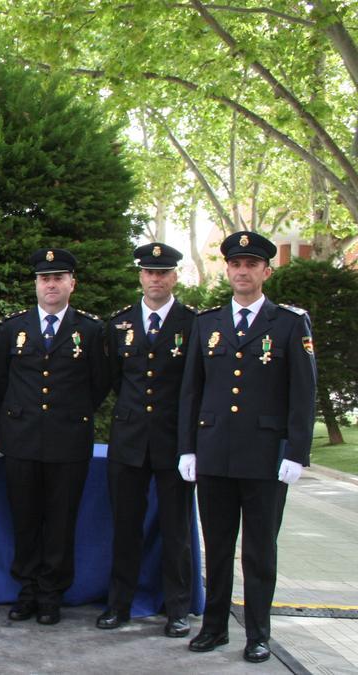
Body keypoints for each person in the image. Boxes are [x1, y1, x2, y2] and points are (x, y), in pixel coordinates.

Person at [178, 231, 316, 663]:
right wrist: (188, 448)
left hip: (264, 458)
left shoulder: (291, 323)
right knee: (217, 548)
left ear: (265, 272)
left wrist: (296, 452)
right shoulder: (207, 322)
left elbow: (303, 393)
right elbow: (191, 392)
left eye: (251, 265)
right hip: (215, 453)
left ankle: (258, 633)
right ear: (228, 270)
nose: (242, 271)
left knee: (259, 552)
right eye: (235, 264)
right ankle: (215, 627)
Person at [0, 247, 110, 625]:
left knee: (61, 522)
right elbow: (0, 382)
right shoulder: (13, 328)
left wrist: (68, 416)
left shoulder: (91, 330)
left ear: (72, 284)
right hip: (22, 440)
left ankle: (51, 595)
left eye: (59, 278)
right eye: (45, 278)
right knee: (25, 521)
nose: (51, 285)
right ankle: (26, 590)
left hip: (68, 441)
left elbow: (98, 385)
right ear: (36, 284)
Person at [96, 243, 195, 636]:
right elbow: (115, 380)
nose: (156, 279)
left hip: (173, 442)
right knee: (125, 527)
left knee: (176, 531)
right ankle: (118, 605)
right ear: (140, 276)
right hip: (129, 440)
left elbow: (193, 386)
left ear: (174, 277)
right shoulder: (118, 324)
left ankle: (178, 610)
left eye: (163, 272)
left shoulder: (193, 323)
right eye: (150, 272)